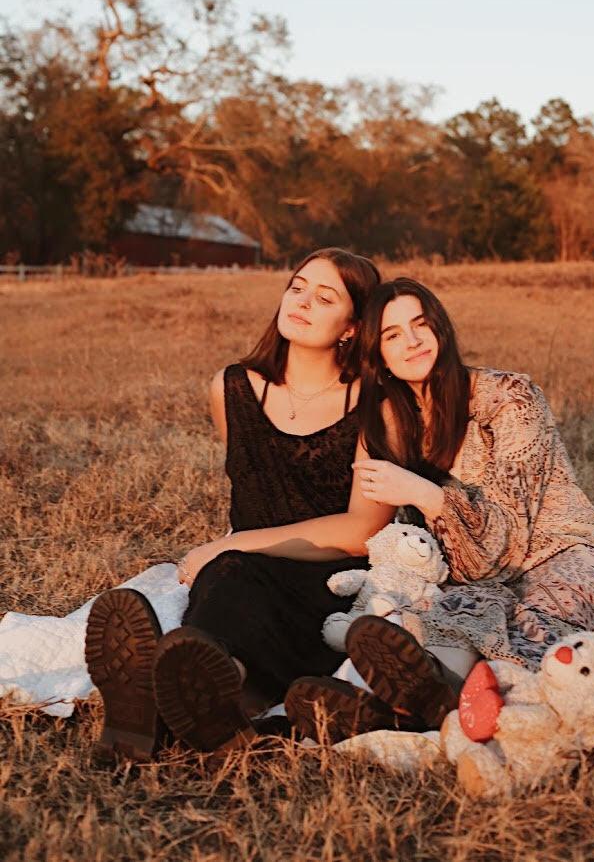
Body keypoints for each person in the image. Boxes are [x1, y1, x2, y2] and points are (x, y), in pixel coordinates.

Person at [285, 277, 594, 741]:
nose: (411, 342)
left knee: (525, 615)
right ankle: (418, 707)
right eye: (392, 335)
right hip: (479, 579)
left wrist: (424, 493)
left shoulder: (510, 397)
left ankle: (439, 709)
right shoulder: (393, 420)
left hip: (564, 552)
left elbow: (507, 546)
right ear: (379, 353)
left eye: (421, 325)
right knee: (448, 611)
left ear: (441, 330)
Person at [84, 248, 396, 760]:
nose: (301, 302)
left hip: (329, 578)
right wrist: (235, 551)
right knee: (227, 586)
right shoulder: (231, 388)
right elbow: (250, 488)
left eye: (324, 297)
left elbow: (363, 529)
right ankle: (200, 699)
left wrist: (235, 545)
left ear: (350, 326)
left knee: (232, 572)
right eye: (297, 288)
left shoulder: (374, 405)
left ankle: (162, 709)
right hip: (239, 574)